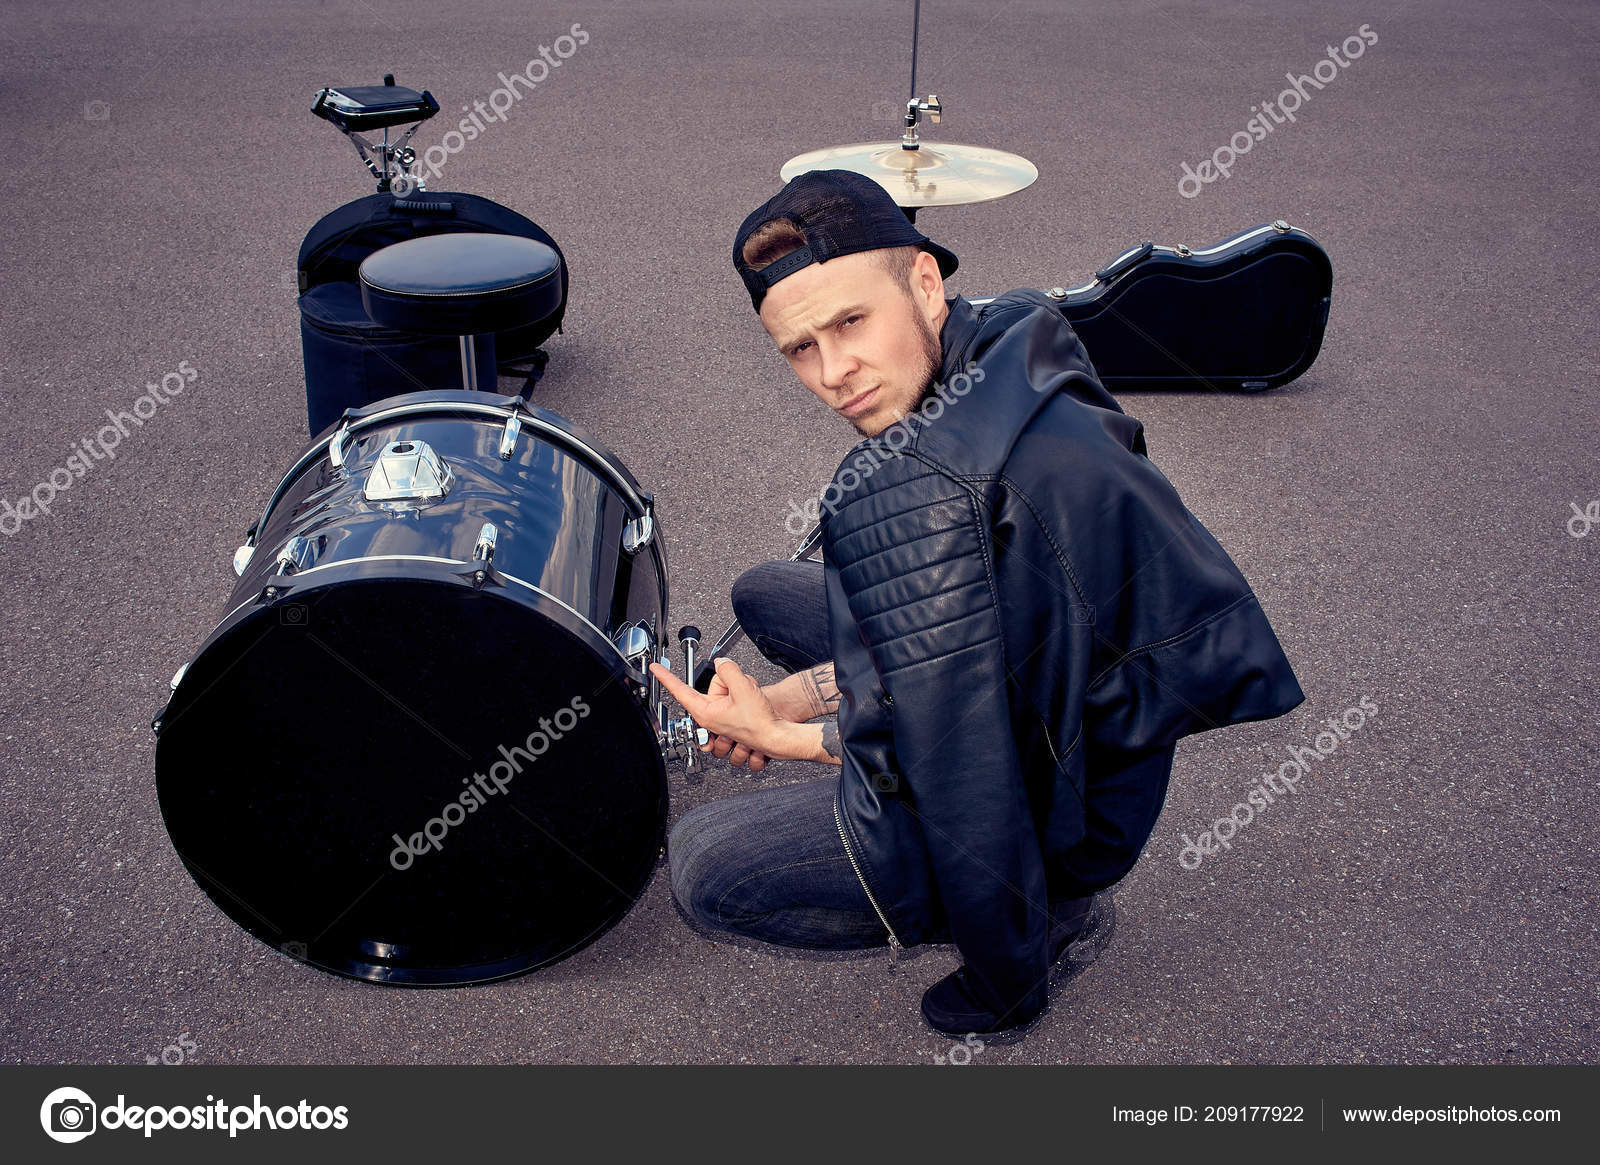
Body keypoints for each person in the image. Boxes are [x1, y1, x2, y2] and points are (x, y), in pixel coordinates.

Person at [649, 168, 1305, 1037]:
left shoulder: (917, 497)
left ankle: (1062, 909)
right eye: (800, 349)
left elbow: (964, 775)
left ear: (924, 282)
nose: (834, 372)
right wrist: (780, 696)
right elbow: (953, 644)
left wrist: (1004, 971)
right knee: (766, 593)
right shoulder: (1013, 339)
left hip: (1069, 796)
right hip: (1079, 699)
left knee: (703, 869)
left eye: (851, 322)